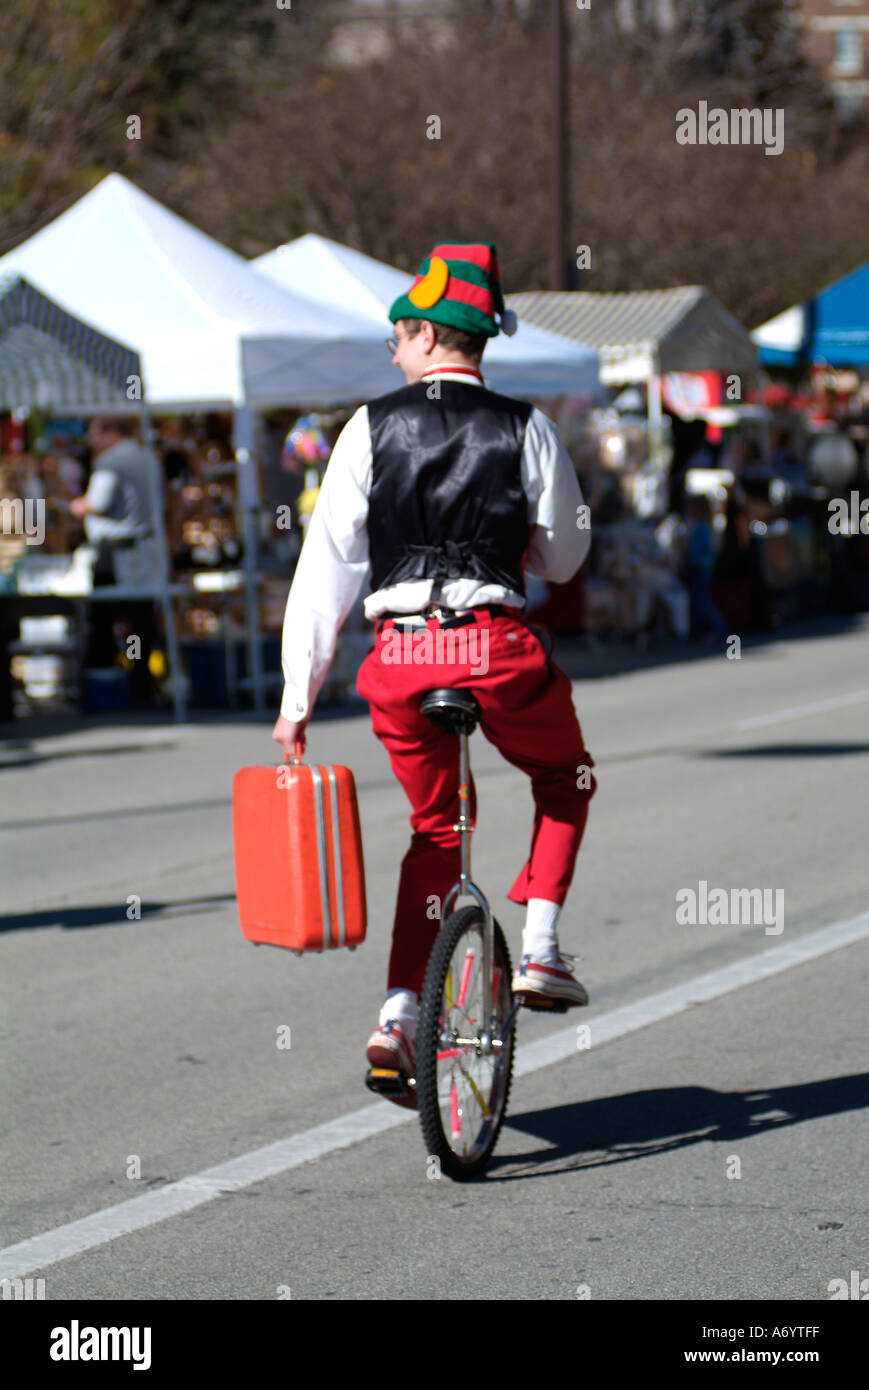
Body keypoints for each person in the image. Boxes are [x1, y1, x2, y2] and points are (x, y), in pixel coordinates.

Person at [271, 242, 597, 1089]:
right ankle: (539, 948)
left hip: (403, 659)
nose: (391, 352)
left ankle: (398, 1015)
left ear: (422, 336)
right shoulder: (529, 425)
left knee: (437, 830)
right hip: (493, 648)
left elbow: (326, 570)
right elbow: (563, 560)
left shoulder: (366, 427)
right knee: (565, 778)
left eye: (396, 337)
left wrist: (296, 696)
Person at [70, 416, 161, 706]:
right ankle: (141, 685)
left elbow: (97, 503)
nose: (91, 441)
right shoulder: (147, 458)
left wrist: (74, 505)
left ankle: (106, 690)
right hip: (142, 549)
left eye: (94, 433)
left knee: (102, 620)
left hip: (114, 551)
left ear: (110, 431)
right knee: (141, 620)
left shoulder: (110, 462)